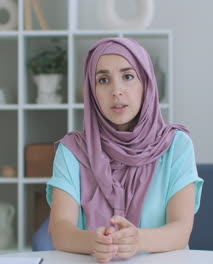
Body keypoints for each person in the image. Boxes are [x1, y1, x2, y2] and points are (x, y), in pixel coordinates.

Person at [46, 37, 203, 263]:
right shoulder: (72, 150)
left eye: (128, 76)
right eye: (103, 80)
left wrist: (138, 240)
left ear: (146, 84)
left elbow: (181, 229)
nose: (116, 91)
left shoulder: (176, 145)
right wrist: (94, 243)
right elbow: (60, 230)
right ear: (92, 91)